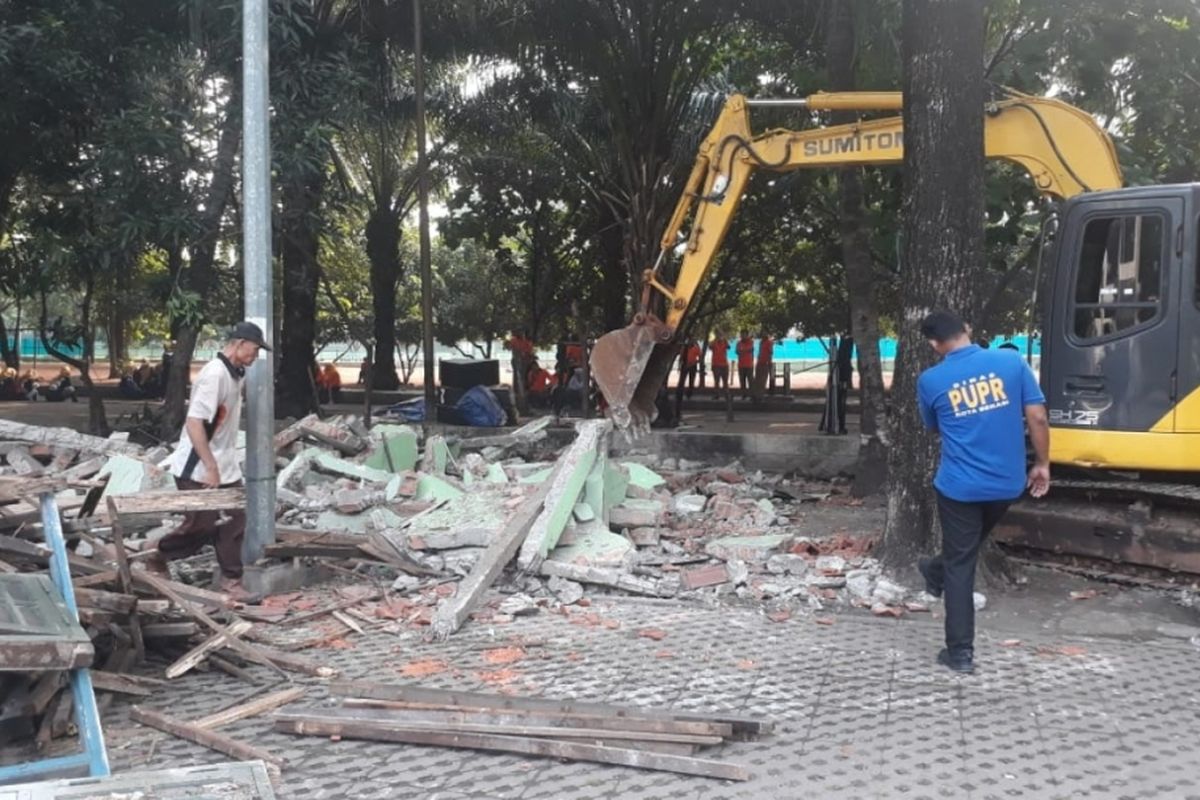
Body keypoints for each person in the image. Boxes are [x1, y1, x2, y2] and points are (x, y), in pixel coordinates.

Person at [915, 310, 1050, 674]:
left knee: (961, 563)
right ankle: (933, 568)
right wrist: (1042, 463)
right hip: (1006, 484)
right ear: (968, 330)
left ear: (933, 344)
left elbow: (934, 427)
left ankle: (960, 654)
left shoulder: (931, 380)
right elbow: (1037, 417)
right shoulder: (1010, 360)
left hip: (959, 487)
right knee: (966, 548)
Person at [147, 321, 271, 602]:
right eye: (254, 349)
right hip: (199, 467)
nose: (255, 356)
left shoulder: (235, 373)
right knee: (201, 525)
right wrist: (211, 467)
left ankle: (232, 581)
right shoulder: (214, 375)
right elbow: (194, 423)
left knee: (234, 522)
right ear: (239, 344)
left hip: (224, 464)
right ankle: (157, 552)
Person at [835, 335, 855, 435]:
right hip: (842, 380)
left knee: (841, 402)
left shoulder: (844, 356)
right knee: (841, 402)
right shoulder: (844, 357)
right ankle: (840, 425)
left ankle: (841, 425)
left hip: (842, 380)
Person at [735, 330, 754, 398]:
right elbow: (737, 351)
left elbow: (750, 349)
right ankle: (743, 395)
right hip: (741, 365)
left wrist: (742, 350)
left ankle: (752, 395)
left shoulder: (751, 342)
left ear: (747, 335)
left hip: (749, 365)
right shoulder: (738, 343)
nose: (743, 336)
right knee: (742, 381)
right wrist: (744, 351)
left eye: (744, 334)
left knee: (750, 381)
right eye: (742, 334)